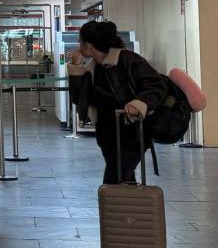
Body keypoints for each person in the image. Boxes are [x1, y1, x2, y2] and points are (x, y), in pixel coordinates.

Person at [68, 21, 167, 184]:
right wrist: (76, 69)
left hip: (132, 132)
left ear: (89, 44)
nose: (78, 45)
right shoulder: (92, 67)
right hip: (107, 132)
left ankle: (116, 209)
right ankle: (128, 209)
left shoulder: (127, 60)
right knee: (124, 178)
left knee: (114, 179)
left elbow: (157, 85)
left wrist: (138, 103)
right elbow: (78, 99)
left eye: (80, 41)